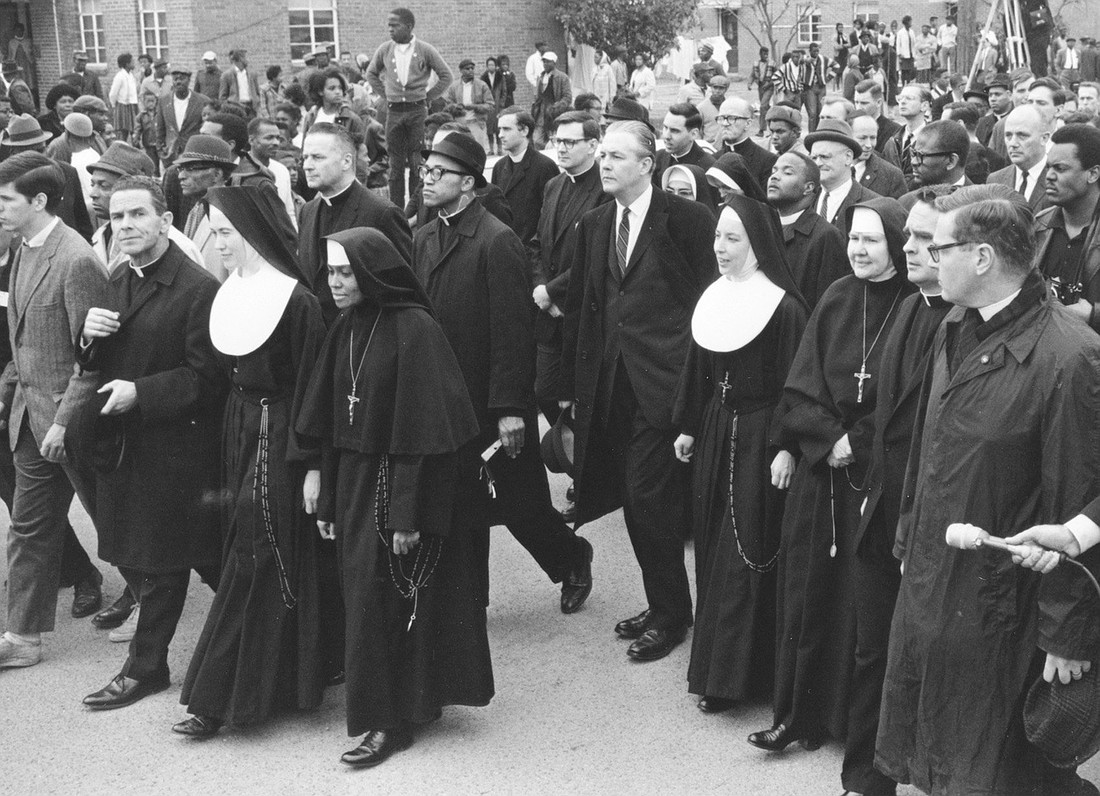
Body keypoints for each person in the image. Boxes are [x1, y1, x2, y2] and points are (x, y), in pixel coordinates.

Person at [876, 185, 1100, 796]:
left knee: (998, 766)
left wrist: (1068, 633)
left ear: (980, 258)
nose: (921, 254)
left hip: (1005, 607)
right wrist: (907, 540)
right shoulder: (956, 321)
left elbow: (1076, 500)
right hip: (936, 576)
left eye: (935, 244)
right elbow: (931, 449)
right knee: (941, 747)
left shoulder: (1069, 358)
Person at [297, 227, 493, 766]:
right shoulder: (345, 327)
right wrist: (331, 499)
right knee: (366, 598)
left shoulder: (416, 328)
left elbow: (424, 437)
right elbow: (333, 423)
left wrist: (406, 515)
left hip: (401, 484)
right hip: (357, 484)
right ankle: (392, 708)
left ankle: (391, 722)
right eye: (329, 272)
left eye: (345, 273)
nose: (334, 283)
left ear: (371, 273)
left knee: (389, 598)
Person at [751, 196, 914, 753]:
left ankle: (851, 726)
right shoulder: (837, 296)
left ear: (896, 242)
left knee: (859, 604)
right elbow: (799, 386)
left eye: (872, 239)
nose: (859, 249)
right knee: (807, 594)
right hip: (822, 475)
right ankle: (796, 716)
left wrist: (857, 441)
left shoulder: (915, 306)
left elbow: (909, 403)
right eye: (853, 239)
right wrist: (826, 439)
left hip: (874, 479)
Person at [413, 131, 594, 613]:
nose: (427, 181)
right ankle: (467, 603)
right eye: (425, 171)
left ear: (468, 183)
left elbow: (514, 334)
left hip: (490, 402)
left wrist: (512, 409)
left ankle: (572, 555)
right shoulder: (425, 235)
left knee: (520, 504)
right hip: (446, 398)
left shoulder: (497, 241)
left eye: (439, 173)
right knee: (460, 501)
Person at [562, 120, 717, 661]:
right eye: (601, 154)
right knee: (633, 499)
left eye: (615, 156)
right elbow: (587, 307)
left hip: (667, 385)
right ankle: (663, 603)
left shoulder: (688, 220)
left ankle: (673, 615)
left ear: (647, 165)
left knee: (650, 498)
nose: (603, 164)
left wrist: (695, 389)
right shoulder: (596, 223)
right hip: (613, 385)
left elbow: (708, 301)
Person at [173, 185, 324, 736]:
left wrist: (311, 463)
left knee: (258, 556)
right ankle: (285, 682)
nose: (219, 243)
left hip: (278, 438)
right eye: (213, 233)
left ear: (254, 233)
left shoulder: (297, 301)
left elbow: (312, 389)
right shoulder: (229, 292)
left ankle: (219, 698)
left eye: (227, 233)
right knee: (253, 550)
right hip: (239, 433)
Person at [77, 176, 226, 709]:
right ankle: (301, 637)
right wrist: (88, 339)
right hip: (132, 445)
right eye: (118, 218)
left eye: (138, 215)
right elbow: (101, 359)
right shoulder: (121, 277)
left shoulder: (196, 288)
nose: (126, 226)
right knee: (207, 561)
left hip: (179, 450)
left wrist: (141, 392)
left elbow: (209, 378)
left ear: (165, 221)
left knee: (167, 559)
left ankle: (146, 668)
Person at [673, 195, 808, 715]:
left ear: (759, 244)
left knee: (745, 552)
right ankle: (718, 666)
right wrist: (688, 425)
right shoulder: (714, 296)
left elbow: (797, 385)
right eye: (717, 237)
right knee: (712, 547)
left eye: (733, 238)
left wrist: (785, 446)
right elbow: (698, 370)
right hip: (716, 429)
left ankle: (733, 678)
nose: (720, 248)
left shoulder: (785, 307)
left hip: (761, 438)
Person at [840, 186, 953, 796]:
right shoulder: (911, 304)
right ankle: (866, 776)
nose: (906, 248)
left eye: (923, 240)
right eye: (906, 235)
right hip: (882, 505)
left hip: (932, 516)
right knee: (871, 647)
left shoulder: (958, 323)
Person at [0, 152, 106, 670]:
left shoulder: (77, 259)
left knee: (116, 522)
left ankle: (216, 598)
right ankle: (21, 637)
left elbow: (93, 361)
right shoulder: (25, 248)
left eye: (5, 200)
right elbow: (25, 343)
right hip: (30, 423)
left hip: (74, 426)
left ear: (38, 201)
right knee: (28, 528)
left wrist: (65, 421)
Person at [531, 110, 608, 452]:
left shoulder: (605, 188)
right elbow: (537, 243)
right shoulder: (553, 185)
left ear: (593, 145)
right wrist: (539, 287)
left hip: (582, 313)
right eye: (557, 140)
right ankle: (573, 456)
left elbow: (596, 255)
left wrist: (553, 290)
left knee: (583, 399)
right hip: (548, 313)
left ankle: (586, 471)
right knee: (545, 390)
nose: (560, 148)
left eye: (569, 141)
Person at [298, 123, 411, 325]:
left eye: (317, 157)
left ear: (346, 161)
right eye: (305, 157)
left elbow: (403, 291)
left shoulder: (382, 213)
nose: (307, 165)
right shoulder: (307, 211)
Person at [366, 7, 453, 206]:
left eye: (394, 25)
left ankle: (416, 210)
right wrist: (386, 94)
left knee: (417, 164)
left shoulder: (425, 49)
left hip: (417, 112)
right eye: (388, 25)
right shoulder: (385, 49)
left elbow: (446, 76)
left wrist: (427, 97)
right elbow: (371, 74)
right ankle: (395, 211)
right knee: (395, 166)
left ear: (409, 26)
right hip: (394, 112)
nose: (390, 29)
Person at [87, 141, 203, 274]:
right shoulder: (103, 234)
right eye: (92, 184)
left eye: (104, 186)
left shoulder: (179, 247)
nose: (93, 194)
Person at [1032, 123, 1100, 334]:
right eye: (1048, 167)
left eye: (1060, 169)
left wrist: (1093, 316)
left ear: (1093, 174)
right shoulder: (1038, 225)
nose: (1049, 176)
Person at [766, 150, 849, 307]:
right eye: (774, 170)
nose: (775, 176)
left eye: (788, 172)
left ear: (808, 188)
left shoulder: (826, 236)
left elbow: (828, 305)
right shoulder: (763, 227)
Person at [491, 106, 557, 256]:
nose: (500, 135)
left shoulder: (544, 166)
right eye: (499, 129)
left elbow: (549, 218)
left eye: (506, 129)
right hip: (503, 251)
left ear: (524, 131)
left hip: (531, 254)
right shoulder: (499, 167)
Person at [807, 118, 879, 233]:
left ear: (848, 157)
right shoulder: (805, 200)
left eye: (825, 157)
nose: (818, 163)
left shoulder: (873, 203)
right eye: (814, 158)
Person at [988, 104, 1053, 215]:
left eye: (1022, 135)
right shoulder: (995, 180)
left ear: (1044, 138)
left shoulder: (1057, 178)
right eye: (1008, 135)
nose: (1012, 143)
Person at [247, 117, 298, 227]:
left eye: (277, 138)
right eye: (269, 138)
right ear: (251, 140)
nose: (275, 142)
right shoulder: (240, 169)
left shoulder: (282, 170)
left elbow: (289, 212)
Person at [716, 96, 776, 189]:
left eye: (731, 118)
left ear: (748, 123)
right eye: (721, 118)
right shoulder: (714, 159)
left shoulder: (767, 160)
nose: (725, 123)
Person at [155, 66, 208, 167]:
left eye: (182, 79)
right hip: (170, 155)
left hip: (194, 154)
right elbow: (160, 130)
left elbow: (206, 129)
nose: (178, 82)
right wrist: (161, 152)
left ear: (189, 80)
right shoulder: (164, 101)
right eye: (175, 79)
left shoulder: (202, 101)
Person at [300, 67, 367, 147]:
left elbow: (361, 149)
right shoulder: (311, 116)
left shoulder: (351, 118)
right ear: (320, 91)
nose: (338, 92)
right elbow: (305, 147)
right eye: (332, 88)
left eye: (340, 88)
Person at [654, 102, 716, 184]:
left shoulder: (708, 167)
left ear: (693, 134)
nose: (666, 136)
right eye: (665, 128)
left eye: (675, 131)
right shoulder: (657, 158)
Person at [443, 59, 494, 152]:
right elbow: (448, 105)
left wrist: (474, 107)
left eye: (472, 68)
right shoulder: (454, 87)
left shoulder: (482, 85)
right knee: (461, 152)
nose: (471, 70)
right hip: (460, 124)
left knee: (478, 152)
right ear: (461, 71)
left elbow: (490, 105)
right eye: (467, 69)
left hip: (477, 124)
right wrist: (456, 107)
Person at [851, 113, 907, 199]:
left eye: (873, 138)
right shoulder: (834, 168)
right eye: (862, 138)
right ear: (848, 136)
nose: (869, 145)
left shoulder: (892, 176)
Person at [892, 85, 931, 187]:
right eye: (900, 98)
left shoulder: (933, 139)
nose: (902, 102)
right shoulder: (893, 139)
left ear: (924, 106)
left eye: (909, 98)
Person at [531, 51, 571, 148]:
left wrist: (557, 107)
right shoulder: (541, 77)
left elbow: (567, 97)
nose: (545, 64)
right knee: (536, 140)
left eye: (548, 62)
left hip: (555, 114)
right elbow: (538, 96)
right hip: (541, 114)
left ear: (554, 63)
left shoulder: (562, 77)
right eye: (544, 61)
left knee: (555, 139)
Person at [854, 80, 902, 158]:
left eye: (864, 103)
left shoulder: (895, 131)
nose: (859, 108)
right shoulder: (850, 127)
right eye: (856, 102)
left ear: (879, 102)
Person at [801, 43, 832, 133]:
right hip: (810, 88)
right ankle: (811, 133)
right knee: (812, 113)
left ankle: (819, 132)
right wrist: (806, 60)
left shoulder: (823, 59)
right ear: (809, 51)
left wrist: (828, 78)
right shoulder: (806, 59)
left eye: (817, 51)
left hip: (821, 87)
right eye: (814, 51)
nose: (816, 53)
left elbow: (836, 66)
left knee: (821, 111)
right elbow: (799, 60)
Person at [976, 74, 1014, 148]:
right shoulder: (981, 123)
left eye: (997, 94)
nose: (992, 99)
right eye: (990, 95)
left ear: (1009, 95)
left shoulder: (1017, 119)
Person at [108, 53, 139, 142]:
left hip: (132, 106)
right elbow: (113, 94)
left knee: (135, 131)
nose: (134, 63)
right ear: (127, 64)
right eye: (132, 62)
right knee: (122, 133)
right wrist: (115, 106)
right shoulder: (120, 76)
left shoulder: (131, 76)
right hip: (122, 106)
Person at [481, 57, 507, 156]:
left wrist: (501, 103)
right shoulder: (483, 78)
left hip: (498, 106)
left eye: (492, 65)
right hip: (488, 106)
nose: (491, 67)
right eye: (489, 65)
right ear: (487, 66)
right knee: (489, 128)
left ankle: (499, 148)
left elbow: (504, 91)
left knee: (498, 127)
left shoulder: (500, 77)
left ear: (495, 66)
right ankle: (491, 149)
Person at [749, 48, 776, 136]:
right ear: (760, 54)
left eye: (767, 53)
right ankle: (772, 126)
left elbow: (777, 76)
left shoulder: (772, 63)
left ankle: (761, 130)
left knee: (763, 106)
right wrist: (749, 83)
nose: (766, 55)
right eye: (764, 53)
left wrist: (769, 84)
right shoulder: (756, 63)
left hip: (769, 87)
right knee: (766, 108)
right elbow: (752, 74)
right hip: (760, 87)